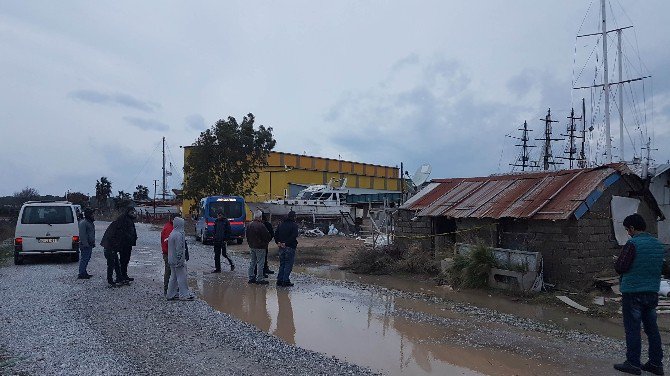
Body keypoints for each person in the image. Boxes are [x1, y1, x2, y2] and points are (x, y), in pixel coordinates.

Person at [613, 213, 665, 375]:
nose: (628, 233)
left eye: (628, 229)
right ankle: (656, 364)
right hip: (651, 292)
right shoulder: (658, 245)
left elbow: (621, 267)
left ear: (633, 228)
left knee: (633, 329)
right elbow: (662, 268)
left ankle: (633, 363)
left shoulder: (632, 244)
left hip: (633, 292)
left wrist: (617, 261)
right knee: (652, 329)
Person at [166, 216, 195, 301]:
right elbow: (179, 249)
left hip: (171, 259)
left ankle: (170, 294)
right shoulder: (179, 234)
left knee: (173, 277)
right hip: (177, 260)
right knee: (182, 277)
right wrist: (180, 260)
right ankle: (184, 295)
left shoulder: (172, 233)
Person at [246, 210, 272, 285]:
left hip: (252, 246)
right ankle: (259, 278)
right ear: (260, 217)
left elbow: (247, 235)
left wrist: (250, 243)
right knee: (260, 263)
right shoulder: (261, 225)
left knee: (252, 262)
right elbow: (267, 236)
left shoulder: (249, 225)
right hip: (260, 247)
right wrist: (266, 242)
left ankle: (251, 277)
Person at [274, 210, 299, 287]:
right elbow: (294, 236)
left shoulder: (281, 224)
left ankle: (279, 280)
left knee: (282, 264)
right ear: (294, 217)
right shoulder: (294, 225)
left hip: (281, 247)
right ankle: (285, 281)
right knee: (288, 264)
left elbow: (276, 234)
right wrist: (286, 243)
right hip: (290, 247)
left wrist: (278, 242)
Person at [115, 206, 138, 282]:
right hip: (124, 243)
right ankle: (121, 276)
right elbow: (122, 232)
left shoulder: (128, 219)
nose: (133, 213)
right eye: (132, 212)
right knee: (123, 260)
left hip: (127, 243)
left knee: (126, 260)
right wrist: (129, 237)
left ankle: (124, 275)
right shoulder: (124, 219)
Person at [100, 218, 124, 287]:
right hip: (109, 248)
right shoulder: (117, 227)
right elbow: (112, 238)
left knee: (116, 263)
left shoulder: (116, 225)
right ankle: (110, 280)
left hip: (110, 247)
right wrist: (116, 246)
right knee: (111, 264)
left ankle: (119, 278)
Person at [160, 214, 178, 295]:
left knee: (172, 272)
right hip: (169, 253)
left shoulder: (172, 227)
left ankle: (171, 289)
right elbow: (168, 242)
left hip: (170, 253)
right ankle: (167, 290)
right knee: (169, 272)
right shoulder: (169, 228)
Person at [77, 208, 96, 279]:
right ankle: (81, 273)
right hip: (85, 245)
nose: (93, 215)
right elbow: (82, 235)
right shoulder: (83, 223)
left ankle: (84, 272)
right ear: (89, 214)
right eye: (92, 214)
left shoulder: (89, 222)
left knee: (87, 258)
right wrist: (85, 244)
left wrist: (92, 242)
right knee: (84, 259)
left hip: (89, 244)